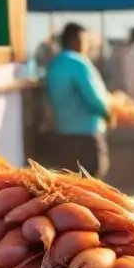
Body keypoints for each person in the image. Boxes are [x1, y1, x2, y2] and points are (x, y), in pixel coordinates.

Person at [43, 23, 114, 179]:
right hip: (86, 136)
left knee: (72, 186)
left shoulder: (56, 64)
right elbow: (94, 99)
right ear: (76, 39)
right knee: (91, 185)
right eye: (86, 39)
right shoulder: (78, 63)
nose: (88, 44)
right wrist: (108, 114)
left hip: (63, 134)